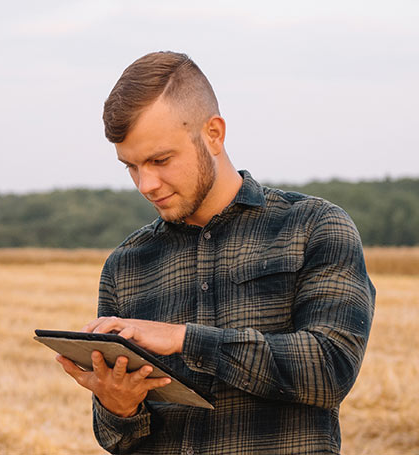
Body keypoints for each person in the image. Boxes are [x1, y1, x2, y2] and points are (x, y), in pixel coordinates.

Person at [54, 51, 376, 454]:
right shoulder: (126, 265)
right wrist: (117, 405)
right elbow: (116, 438)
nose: (146, 184)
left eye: (160, 160)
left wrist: (185, 340)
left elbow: (330, 369)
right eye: (131, 167)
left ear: (214, 134)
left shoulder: (314, 227)